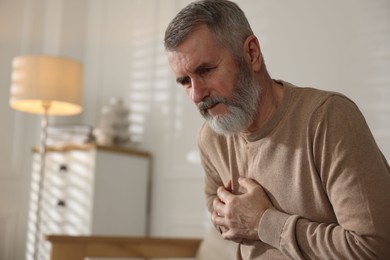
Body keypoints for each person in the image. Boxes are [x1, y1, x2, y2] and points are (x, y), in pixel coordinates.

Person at [164, 0, 390, 259]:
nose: (196, 95)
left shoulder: (328, 118)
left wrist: (264, 223)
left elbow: (375, 247)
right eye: (184, 81)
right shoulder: (210, 137)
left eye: (205, 70)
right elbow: (215, 206)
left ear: (251, 53)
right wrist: (227, 216)